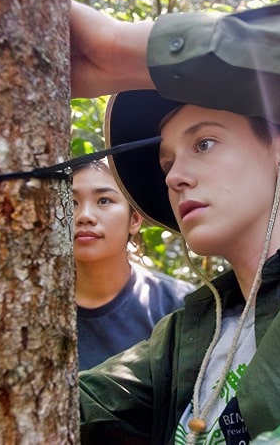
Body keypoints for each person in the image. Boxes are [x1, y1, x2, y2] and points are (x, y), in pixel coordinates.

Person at [71, 0, 280, 444]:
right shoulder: (187, 335)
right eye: (167, 162)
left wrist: (119, 48)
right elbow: (56, 410)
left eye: (203, 143)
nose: (175, 176)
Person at [72, 159, 194, 371]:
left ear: (135, 220)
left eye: (104, 200)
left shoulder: (177, 305)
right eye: (72, 202)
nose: (85, 216)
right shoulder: (32, 306)